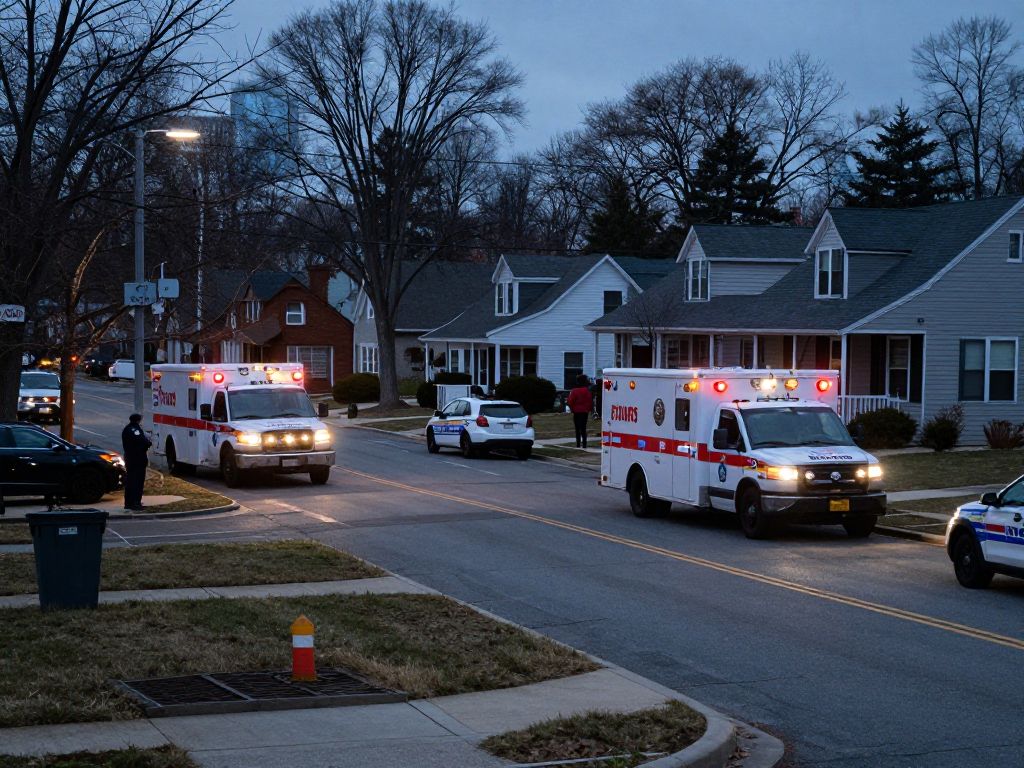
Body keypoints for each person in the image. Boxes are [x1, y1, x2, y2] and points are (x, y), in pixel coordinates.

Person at [121, 413, 152, 511]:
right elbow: (143, 442)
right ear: (138, 420)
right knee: (137, 482)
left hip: (130, 458)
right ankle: (135, 503)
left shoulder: (126, 429)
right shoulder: (136, 430)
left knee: (130, 481)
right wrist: (148, 443)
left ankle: (128, 502)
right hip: (137, 459)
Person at [567, 374, 594, 449]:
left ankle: (578, 444)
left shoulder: (574, 391)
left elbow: (570, 402)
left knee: (577, 428)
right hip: (584, 412)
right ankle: (584, 444)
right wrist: (590, 409)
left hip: (576, 412)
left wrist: (572, 409)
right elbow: (590, 401)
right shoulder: (587, 390)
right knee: (583, 428)